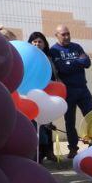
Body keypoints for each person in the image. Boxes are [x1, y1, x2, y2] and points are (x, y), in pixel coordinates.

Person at [50, 25, 92, 159]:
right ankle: (73, 148)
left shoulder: (76, 46)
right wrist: (76, 62)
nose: (67, 36)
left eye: (68, 34)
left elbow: (87, 62)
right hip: (67, 91)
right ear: (56, 35)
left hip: (83, 89)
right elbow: (62, 69)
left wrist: (71, 63)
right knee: (70, 121)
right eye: (63, 34)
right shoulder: (54, 51)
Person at [29, 31, 59, 163]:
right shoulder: (28, 57)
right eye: (34, 41)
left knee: (48, 123)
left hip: (48, 94)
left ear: (44, 44)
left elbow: (54, 75)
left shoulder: (48, 58)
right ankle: (38, 153)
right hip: (32, 95)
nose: (37, 44)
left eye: (39, 41)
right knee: (35, 125)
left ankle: (49, 151)